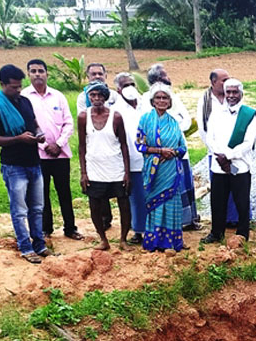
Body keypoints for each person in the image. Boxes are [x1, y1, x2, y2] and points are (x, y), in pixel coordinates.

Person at [0, 64, 48, 263]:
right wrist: (18, 139)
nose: (18, 90)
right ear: (2, 84)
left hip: (34, 161)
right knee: (20, 210)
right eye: (14, 87)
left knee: (37, 207)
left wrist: (39, 134)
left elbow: (34, 124)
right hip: (14, 165)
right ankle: (25, 247)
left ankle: (40, 244)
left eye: (20, 86)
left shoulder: (25, 101)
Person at [22, 58, 82, 241]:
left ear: (47, 74)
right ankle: (46, 228)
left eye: (41, 71)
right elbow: (25, 125)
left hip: (60, 154)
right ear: (28, 74)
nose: (37, 74)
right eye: (33, 71)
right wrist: (44, 145)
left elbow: (68, 122)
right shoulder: (24, 97)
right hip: (38, 154)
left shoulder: (58, 96)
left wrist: (59, 144)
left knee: (65, 192)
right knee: (41, 193)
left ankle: (70, 228)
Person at [141, 63, 199, 230]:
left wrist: (171, 133)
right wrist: (161, 147)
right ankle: (162, 223)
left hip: (177, 153)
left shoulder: (173, 97)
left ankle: (185, 221)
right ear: (158, 79)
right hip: (157, 157)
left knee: (180, 187)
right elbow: (145, 128)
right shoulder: (145, 99)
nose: (169, 78)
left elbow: (186, 121)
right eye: (165, 75)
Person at [202, 78, 256, 244]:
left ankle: (243, 233)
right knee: (217, 201)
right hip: (218, 165)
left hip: (239, 165)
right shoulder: (216, 113)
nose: (231, 95)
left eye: (235, 92)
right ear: (224, 93)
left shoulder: (249, 115)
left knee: (241, 201)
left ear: (241, 93)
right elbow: (209, 137)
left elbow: (248, 143)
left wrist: (228, 156)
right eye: (229, 92)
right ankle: (216, 233)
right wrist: (219, 155)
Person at [78, 81, 131, 251]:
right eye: (92, 95)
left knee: (124, 204)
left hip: (116, 168)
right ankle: (103, 239)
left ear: (105, 97)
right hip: (94, 169)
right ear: (88, 97)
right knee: (95, 205)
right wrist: (84, 173)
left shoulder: (116, 117)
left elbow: (124, 145)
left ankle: (123, 239)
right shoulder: (83, 117)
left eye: (100, 95)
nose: (96, 98)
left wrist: (127, 172)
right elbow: (82, 146)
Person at [135, 84, 189, 253]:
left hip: (171, 170)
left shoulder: (173, 122)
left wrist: (173, 152)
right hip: (154, 172)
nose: (161, 101)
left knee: (172, 202)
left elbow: (182, 147)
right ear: (152, 101)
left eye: (165, 98)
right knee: (155, 203)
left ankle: (172, 241)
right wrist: (160, 151)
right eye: (158, 98)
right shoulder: (145, 120)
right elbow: (140, 145)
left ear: (169, 101)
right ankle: (155, 240)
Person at [199, 67, 238, 229]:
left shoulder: (234, 97)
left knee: (236, 186)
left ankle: (235, 219)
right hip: (215, 155)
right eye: (224, 80)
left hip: (235, 154)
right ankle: (220, 221)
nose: (227, 83)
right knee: (219, 189)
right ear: (214, 82)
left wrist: (232, 151)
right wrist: (216, 151)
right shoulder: (205, 100)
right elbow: (203, 129)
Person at [112, 72, 146, 246]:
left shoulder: (145, 103)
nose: (130, 88)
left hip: (152, 159)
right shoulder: (116, 111)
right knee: (136, 198)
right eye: (126, 85)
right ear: (118, 90)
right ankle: (138, 230)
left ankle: (154, 229)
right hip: (131, 161)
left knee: (152, 195)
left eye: (132, 84)